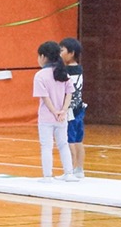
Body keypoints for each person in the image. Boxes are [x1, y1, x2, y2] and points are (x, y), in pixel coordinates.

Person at [33, 41, 76, 182]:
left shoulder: (40, 75)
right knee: (63, 144)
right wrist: (62, 111)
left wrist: (54, 111)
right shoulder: (64, 73)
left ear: (43, 57)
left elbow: (45, 97)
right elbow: (69, 93)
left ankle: (47, 175)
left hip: (47, 117)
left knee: (46, 146)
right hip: (62, 117)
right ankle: (68, 173)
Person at [60, 37, 86, 179]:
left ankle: (69, 169)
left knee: (69, 140)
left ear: (71, 53)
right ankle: (79, 169)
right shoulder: (79, 68)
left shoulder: (67, 70)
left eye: (62, 50)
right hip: (79, 108)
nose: (60, 53)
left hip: (70, 110)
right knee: (78, 140)